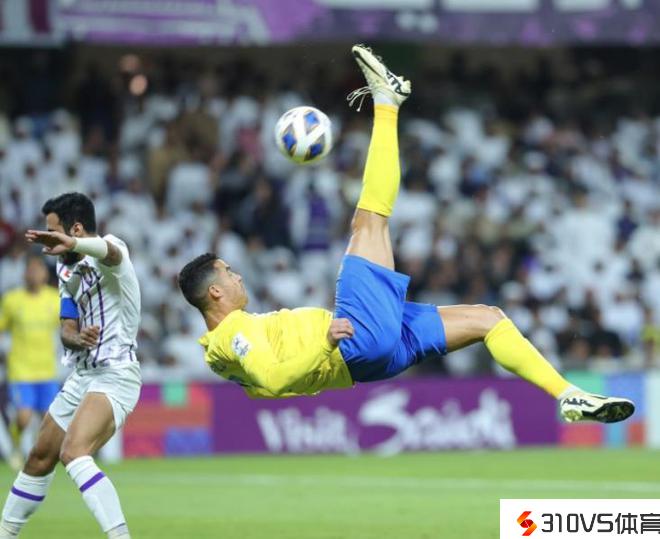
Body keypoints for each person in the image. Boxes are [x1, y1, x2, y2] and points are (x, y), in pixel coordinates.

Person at [178, 45, 634, 425]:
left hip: (371, 360)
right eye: (229, 273)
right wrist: (326, 341)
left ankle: (568, 395)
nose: (238, 276)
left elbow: (265, 383)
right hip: (353, 342)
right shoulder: (231, 334)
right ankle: (386, 101)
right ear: (215, 291)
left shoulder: (224, 352)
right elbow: (274, 381)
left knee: (488, 319)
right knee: (369, 221)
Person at [0, 193, 141, 539]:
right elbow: (66, 328)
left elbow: (110, 252)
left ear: (75, 229)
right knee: (39, 456)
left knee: (74, 452)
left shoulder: (112, 250)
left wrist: (74, 244)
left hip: (116, 374)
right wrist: (77, 338)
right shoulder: (65, 269)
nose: (49, 241)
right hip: (83, 375)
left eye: (53, 232)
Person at [0, 255, 60, 469]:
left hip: (47, 370)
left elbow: (69, 327)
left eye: (38, 269)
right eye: (31, 270)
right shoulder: (12, 300)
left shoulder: (55, 299)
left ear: (45, 273)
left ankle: (38, 454)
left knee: (48, 420)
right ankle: (16, 445)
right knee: (24, 417)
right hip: (21, 370)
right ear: (24, 273)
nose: (34, 274)